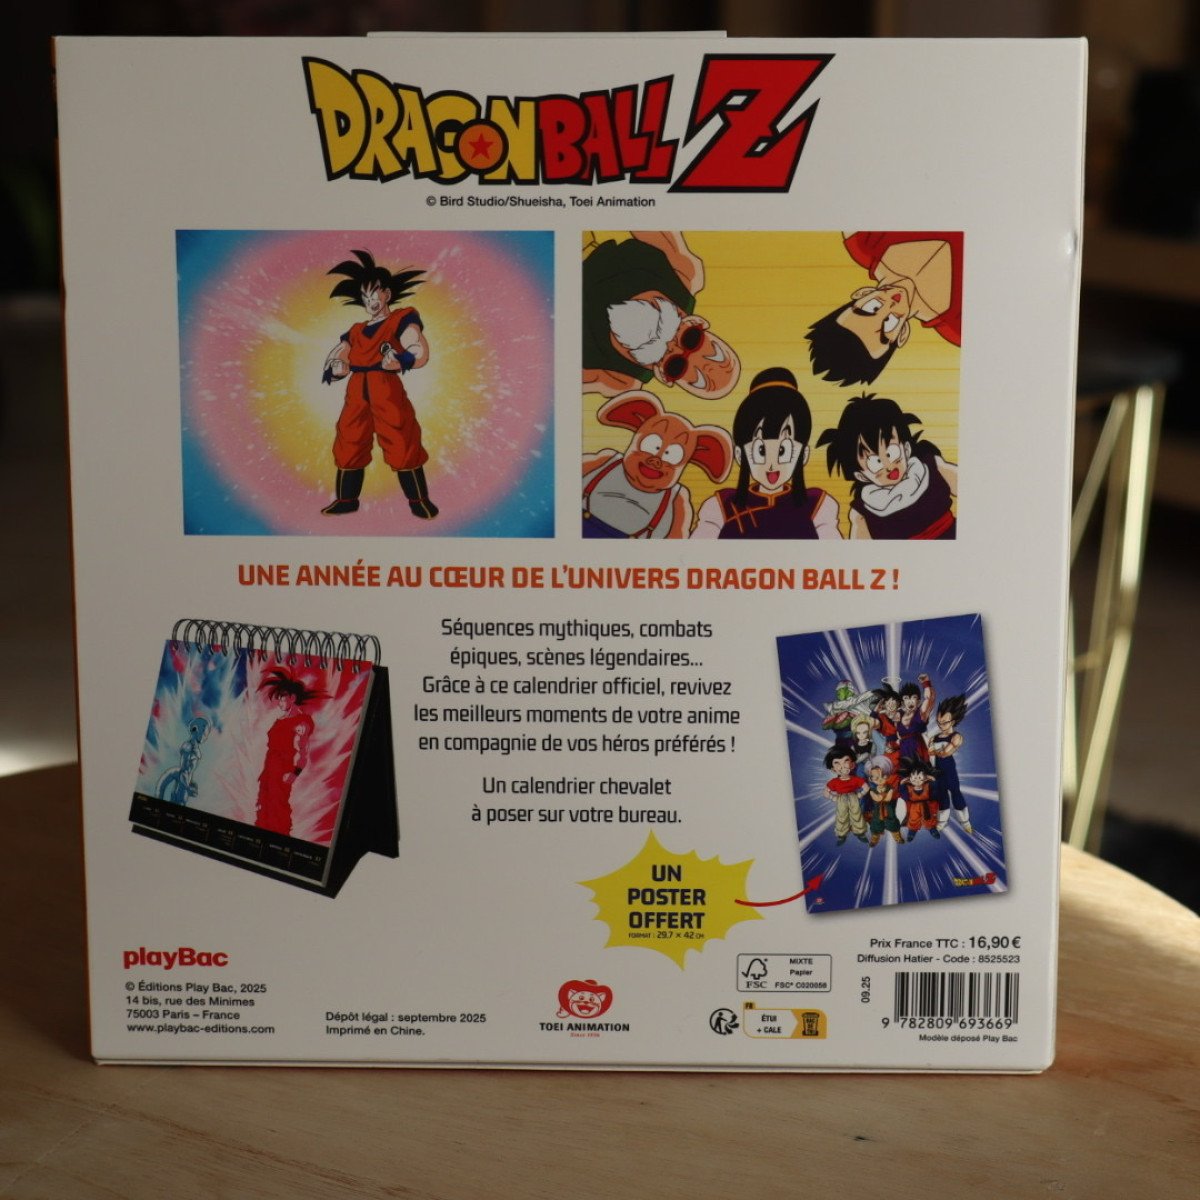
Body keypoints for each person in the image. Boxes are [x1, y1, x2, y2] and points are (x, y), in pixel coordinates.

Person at [321, 249, 437, 519]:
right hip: (357, 389)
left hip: (385, 386)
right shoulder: (356, 330)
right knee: (349, 438)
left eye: (374, 294)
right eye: (365, 297)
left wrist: (402, 359)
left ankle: (419, 500)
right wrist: (336, 368)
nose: (370, 301)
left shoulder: (401, 318)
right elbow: (340, 354)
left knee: (401, 437)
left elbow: (416, 347)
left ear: (387, 293)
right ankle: (346, 500)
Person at [582, 231, 740, 400]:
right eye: (691, 339)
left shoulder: (619, 379)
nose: (674, 347)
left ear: (664, 376)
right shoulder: (684, 273)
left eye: (676, 366)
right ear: (697, 322)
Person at [690, 367, 841, 539]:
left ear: (804, 454)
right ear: (740, 455)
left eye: (783, 451)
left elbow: (833, 548)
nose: (771, 464)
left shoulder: (817, 506)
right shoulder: (721, 506)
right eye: (760, 451)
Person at [806, 231, 962, 386]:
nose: (889, 306)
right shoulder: (959, 328)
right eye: (889, 323)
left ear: (862, 293)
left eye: (872, 307)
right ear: (902, 334)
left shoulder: (861, 239)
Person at [817, 393, 957, 540]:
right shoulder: (862, 514)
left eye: (891, 452)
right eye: (876, 462)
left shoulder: (933, 467)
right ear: (861, 475)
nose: (889, 466)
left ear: (906, 448)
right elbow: (860, 551)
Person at [255, 669, 321, 837]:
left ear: (292, 697)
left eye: (282, 697)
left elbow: (303, 753)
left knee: (277, 809)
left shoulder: (301, 722)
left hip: (282, 771)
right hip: (269, 770)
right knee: (264, 808)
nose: (279, 702)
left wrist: (294, 773)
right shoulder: (280, 720)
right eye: (278, 698)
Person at [930, 694, 974, 834]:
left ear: (953, 721)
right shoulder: (934, 737)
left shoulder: (956, 736)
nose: (941, 726)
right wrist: (936, 751)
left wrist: (934, 751)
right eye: (939, 722)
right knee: (941, 795)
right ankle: (942, 821)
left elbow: (945, 753)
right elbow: (931, 752)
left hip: (949, 771)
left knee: (956, 793)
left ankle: (965, 822)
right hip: (937, 771)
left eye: (944, 722)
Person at [823, 745, 869, 846]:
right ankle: (841, 834)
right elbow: (825, 792)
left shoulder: (855, 779)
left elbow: (866, 787)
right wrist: (832, 797)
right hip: (841, 798)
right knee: (841, 816)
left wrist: (860, 794)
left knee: (856, 814)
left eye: (846, 761)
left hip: (853, 797)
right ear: (833, 769)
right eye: (837, 763)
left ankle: (860, 832)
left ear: (852, 765)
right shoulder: (834, 782)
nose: (842, 766)